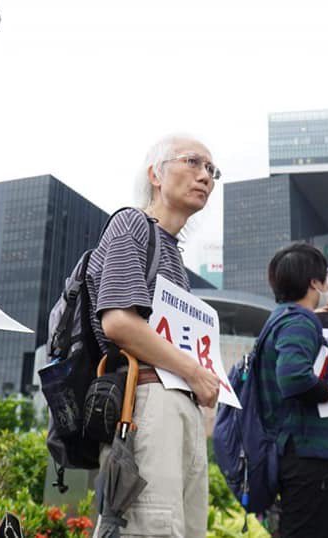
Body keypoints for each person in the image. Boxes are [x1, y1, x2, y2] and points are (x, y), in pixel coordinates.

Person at [87, 135, 221, 537]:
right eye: (193, 162)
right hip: (146, 399)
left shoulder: (172, 252)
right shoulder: (132, 223)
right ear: (156, 174)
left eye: (212, 171)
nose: (206, 177)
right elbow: (119, 323)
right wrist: (194, 373)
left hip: (177, 405)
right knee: (153, 527)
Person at [255, 243, 328, 537]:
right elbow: (293, 377)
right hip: (310, 452)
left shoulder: (282, 318)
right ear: (314, 283)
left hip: (304, 451)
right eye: (327, 279)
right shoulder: (299, 319)